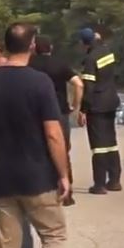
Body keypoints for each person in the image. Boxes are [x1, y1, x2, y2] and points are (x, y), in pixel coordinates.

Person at [0, 23, 69, 248]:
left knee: (7, 243)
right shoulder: (40, 82)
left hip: (0, 177)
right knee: (53, 235)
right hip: (37, 176)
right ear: (32, 45)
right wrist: (63, 174)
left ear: (5, 45)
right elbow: (53, 134)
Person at [29, 35, 83, 207]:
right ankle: (67, 192)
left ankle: (41, 190)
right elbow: (79, 84)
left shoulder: (29, 64)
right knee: (62, 150)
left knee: (37, 151)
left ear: (34, 48)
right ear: (51, 48)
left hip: (35, 114)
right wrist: (75, 106)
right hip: (59, 112)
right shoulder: (60, 64)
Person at [77, 28, 122, 194]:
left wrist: (83, 110)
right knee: (111, 143)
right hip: (111, 101)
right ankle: (115, 181)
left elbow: (89, 87)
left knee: (99, 146)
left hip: (97, 105)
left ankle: (99, 184)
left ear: (84, 43)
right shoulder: (107, 52)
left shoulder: (90, 59)